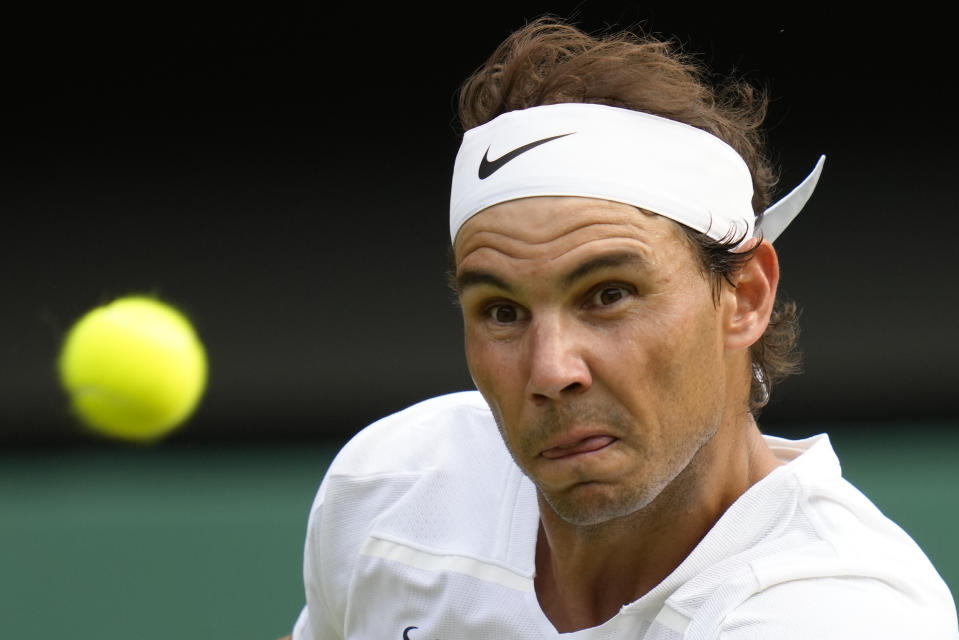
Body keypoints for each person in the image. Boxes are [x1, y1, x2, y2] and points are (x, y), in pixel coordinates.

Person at [287, 18, 958, 639]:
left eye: (608, 295)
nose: (551, 371)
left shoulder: (843, 614)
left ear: (744, 295)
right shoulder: (392, 487)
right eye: (501, 311)